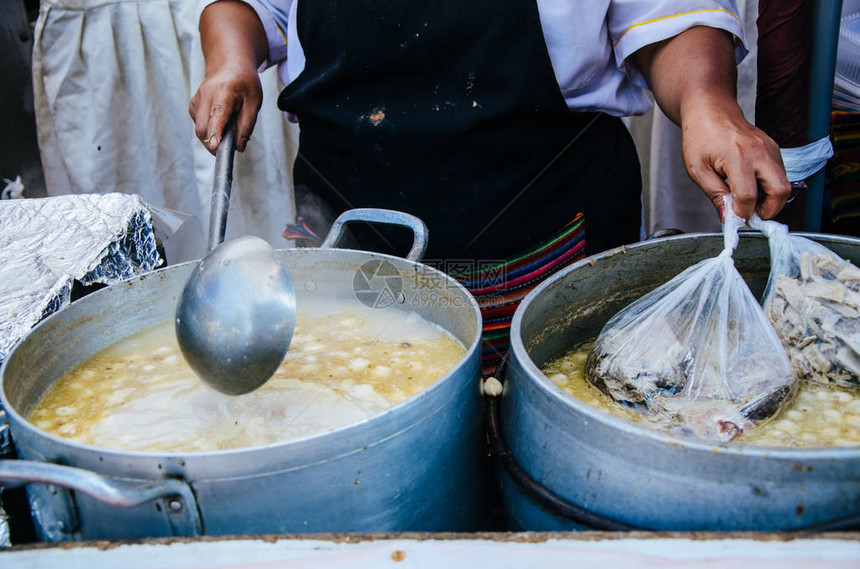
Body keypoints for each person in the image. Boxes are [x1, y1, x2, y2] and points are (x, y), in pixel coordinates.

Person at [190, 0, 792, 374]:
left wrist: (707, 102)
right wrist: (231, 61)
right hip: (349, 257)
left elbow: (668, 14)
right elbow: (245, 8)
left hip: (546, 254)